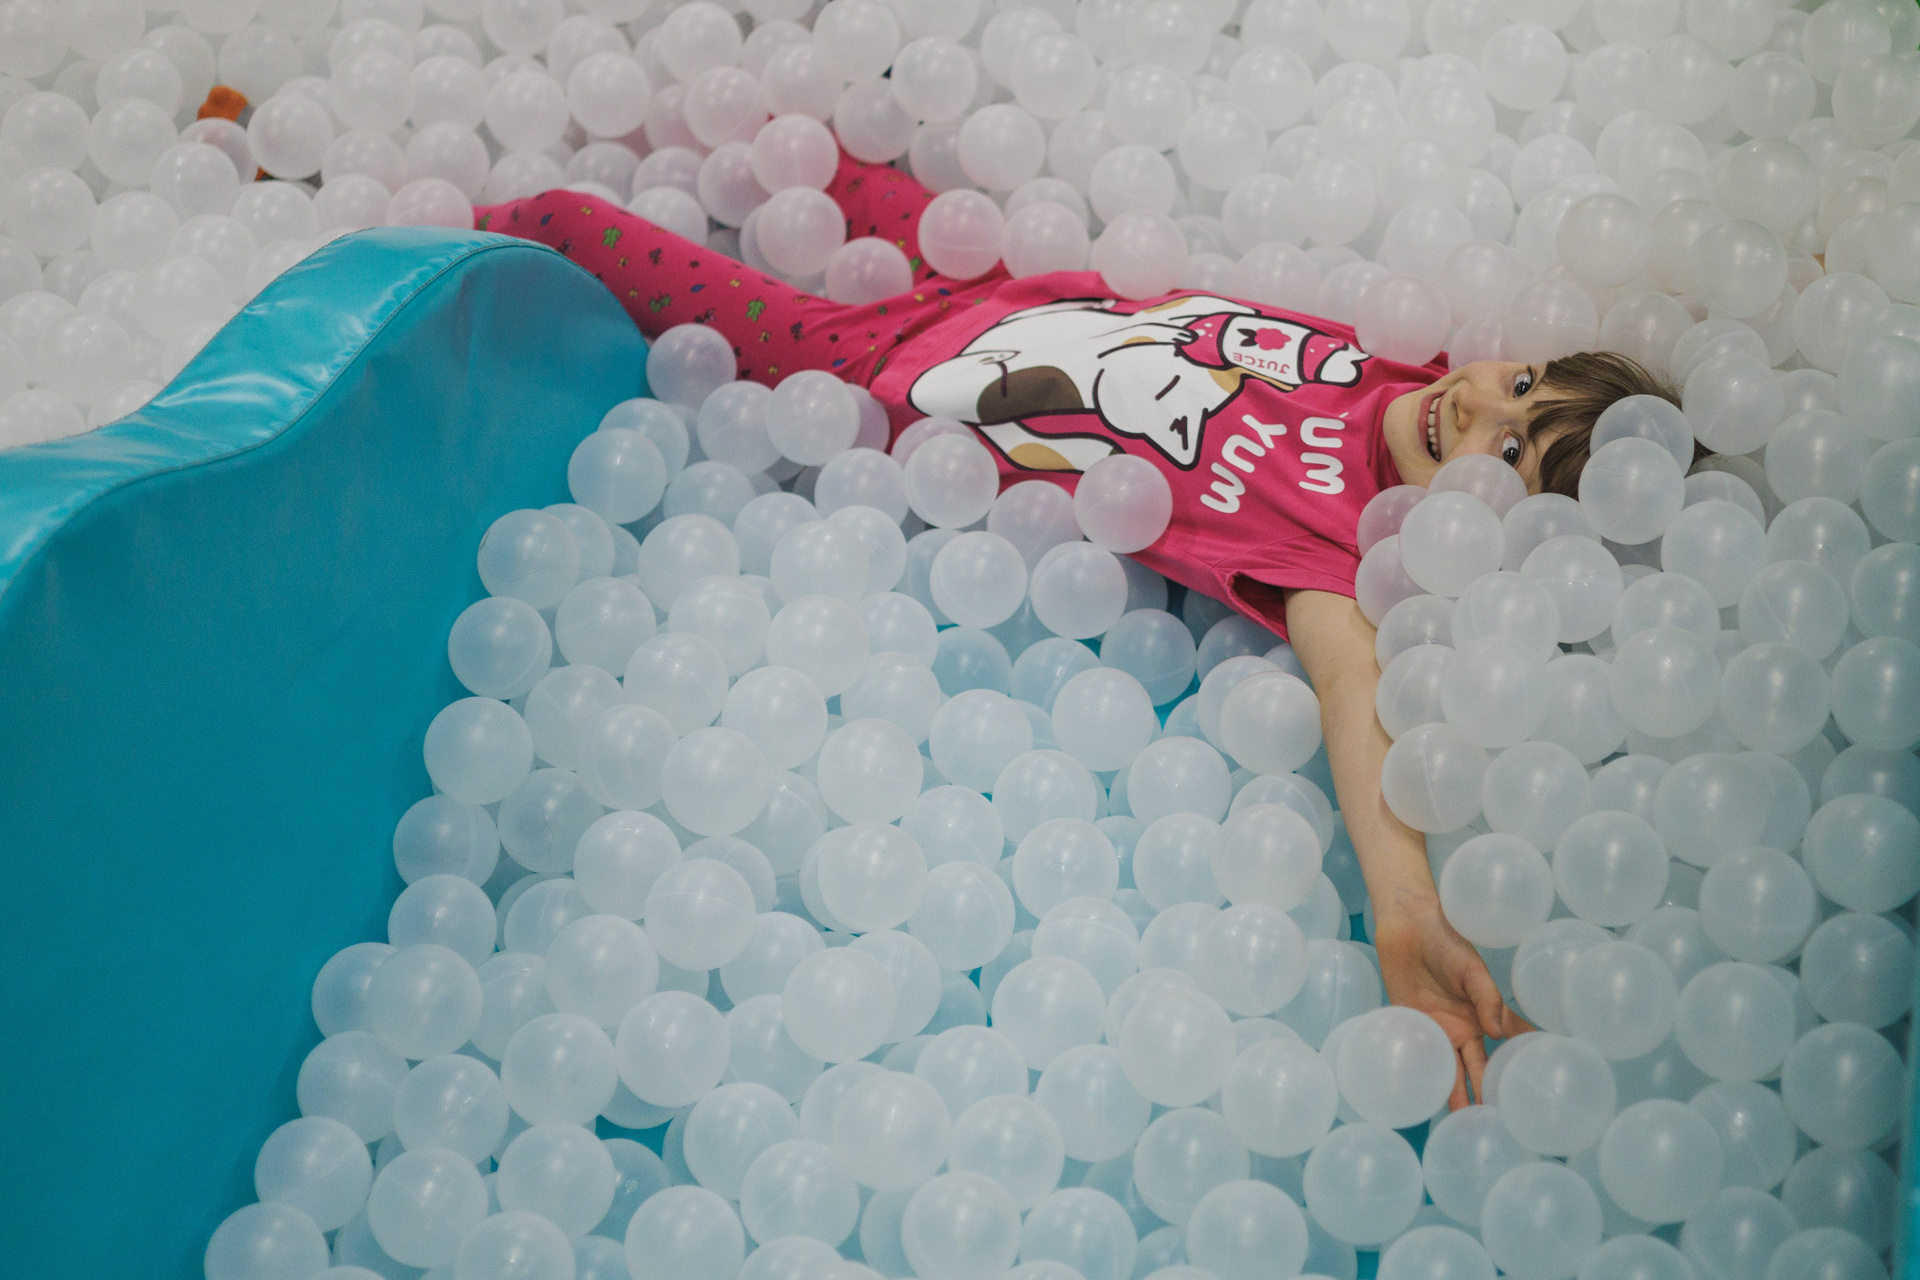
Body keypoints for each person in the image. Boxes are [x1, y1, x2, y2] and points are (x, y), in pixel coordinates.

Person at [476, 153, 1682, 1108]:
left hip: (885, 371)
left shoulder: (1337, 553)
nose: (1481, 407)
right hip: (989, 269)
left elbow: (1350, 694)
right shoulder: (1407, 361)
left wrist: (1406, 904)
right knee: (788, 144)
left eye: (1510, 454)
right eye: (1526, 386)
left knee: (574, 223)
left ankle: (468, 225)